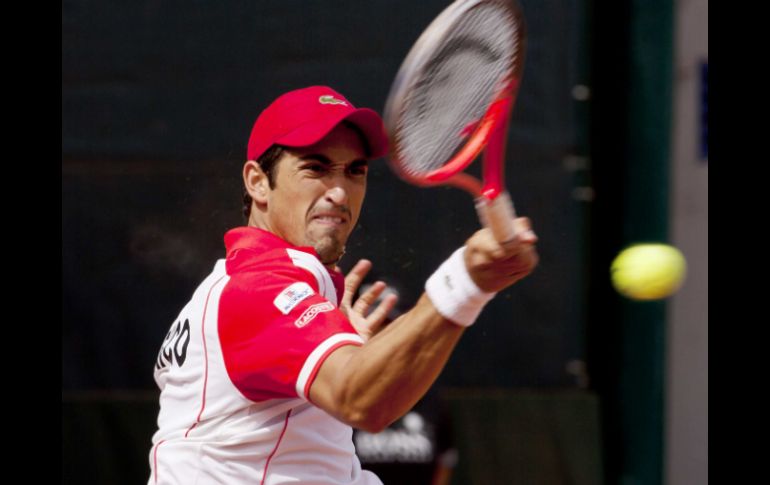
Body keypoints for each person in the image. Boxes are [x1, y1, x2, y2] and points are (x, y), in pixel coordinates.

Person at [147, 85, 538, 485]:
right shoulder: (257, 289)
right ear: (258, 181)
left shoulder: (241, 285)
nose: (339, 192)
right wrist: (467, 281)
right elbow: (362, 399)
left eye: (355, 171)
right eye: (315, 168)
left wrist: (371, 352)